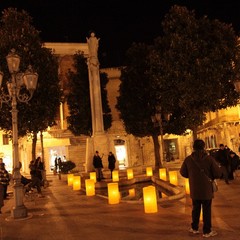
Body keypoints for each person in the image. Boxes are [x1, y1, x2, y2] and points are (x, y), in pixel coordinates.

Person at [180, 139, 221, 238]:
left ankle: (194, 228)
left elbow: (183, 172)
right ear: (204, 147)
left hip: (194, 189)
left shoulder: (188, 159)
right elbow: (217, 173)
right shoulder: (209, 159)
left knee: (195, 208)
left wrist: (192, 175)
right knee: (206, 210)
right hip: (206, 189)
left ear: (193, 147)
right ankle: (207, 231)